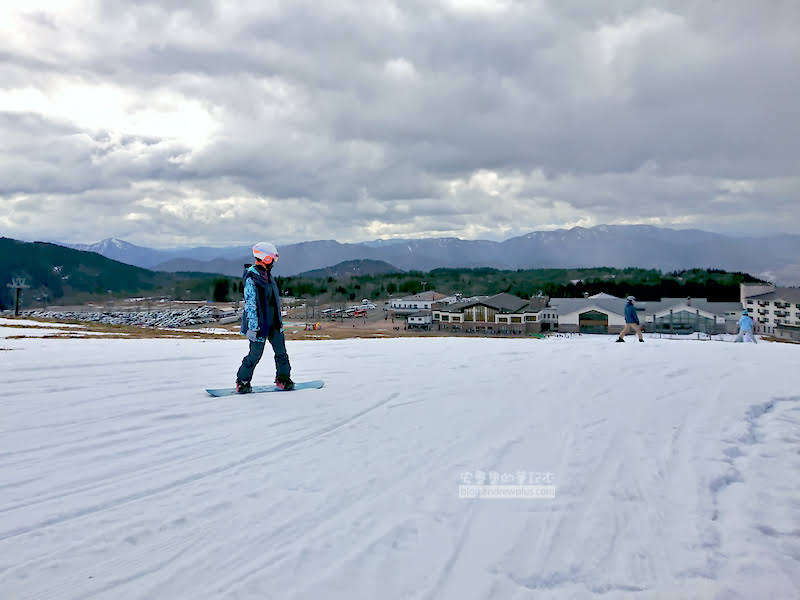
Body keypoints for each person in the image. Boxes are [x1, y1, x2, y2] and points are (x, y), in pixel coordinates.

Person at [236, 242, 293, 392]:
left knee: (281, 354)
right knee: (254, 356)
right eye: (272, 259)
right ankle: (242, 381)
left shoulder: (268, 276)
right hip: (259, 326)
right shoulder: (251, 278)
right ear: (265, 258)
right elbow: (250, 305)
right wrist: (253, 328)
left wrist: (279, 322)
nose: (273, 262)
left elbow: (273, 302)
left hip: (274, 324)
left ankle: (283, 379)